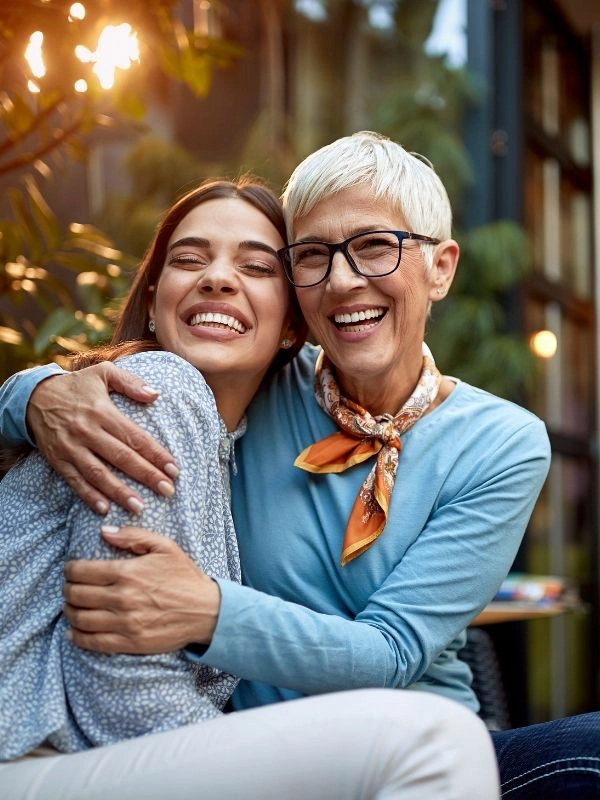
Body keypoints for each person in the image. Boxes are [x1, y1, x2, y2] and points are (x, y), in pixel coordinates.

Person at [0, 131, 579, 794]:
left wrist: (209, 610)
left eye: (374, 246)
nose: (341, 280)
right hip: (255, 751)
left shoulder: (502, 442)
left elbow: (392, 651)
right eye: (311, 256)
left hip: (401, 739)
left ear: (441, 268)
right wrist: (33, 392)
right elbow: (122, 683)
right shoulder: (239, 386)